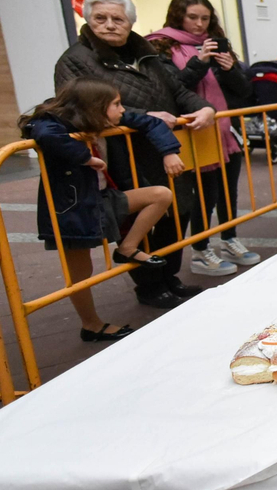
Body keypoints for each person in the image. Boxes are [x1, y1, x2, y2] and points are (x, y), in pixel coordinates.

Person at [55, 0, 214, 310]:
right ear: (87, 19)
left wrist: (204, 108)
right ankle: (150, 285)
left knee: (178, 212)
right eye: (101, 18)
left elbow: (178, 90)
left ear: (130, 23)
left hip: (166, 149)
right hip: (119, 155)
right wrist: (142, 117)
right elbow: (75, 107)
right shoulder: (73, 59)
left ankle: (169, 275)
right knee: (137, 220)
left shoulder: (148, 53)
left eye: (118, 19)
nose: (110, 25)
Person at [22, 79, 180, 341]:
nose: (121, 111)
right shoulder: (50, 123)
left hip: (104, 198)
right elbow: (42, 132)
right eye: (116, 104)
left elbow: (148, 121)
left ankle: (127, 248)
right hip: (71, 210)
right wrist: (86, 157)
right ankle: (91, 325)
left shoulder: (100, 118)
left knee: (160, 195)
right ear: (95, 107)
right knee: (81, 275)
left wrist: (169, 151)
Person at [150, 0, 261, 277]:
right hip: (190, 134)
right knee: (203, 196)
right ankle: (200, 250)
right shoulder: (161, 46)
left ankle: (228, 238)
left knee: (226, 191)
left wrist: (230, 69)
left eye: (205, 18)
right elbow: (171, 90)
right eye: (192, 17)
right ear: (178, 16)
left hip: (224, 131)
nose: (199, 24)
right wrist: (199, 62)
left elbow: (243, 92)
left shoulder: (215, 45)